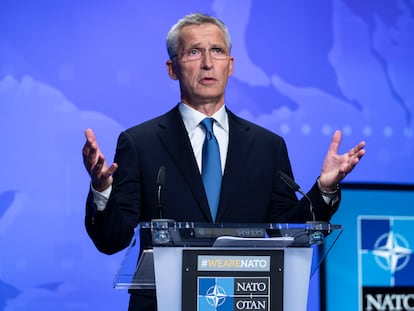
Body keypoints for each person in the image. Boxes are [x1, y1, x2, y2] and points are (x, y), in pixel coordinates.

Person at [82, 13, 366, 311]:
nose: (207, 63)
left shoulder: (267, 146)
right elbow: (112, 239)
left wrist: (323, 189)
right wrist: (102, 190)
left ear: (230, 66)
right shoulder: (140, 143)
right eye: (193, 52)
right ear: (172, 69)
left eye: (217, 51)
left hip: (246, 299)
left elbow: (289, 229)